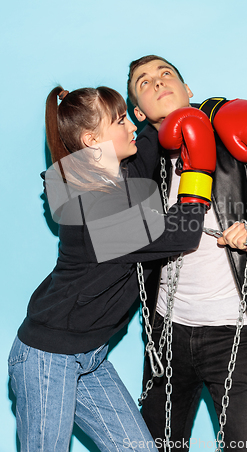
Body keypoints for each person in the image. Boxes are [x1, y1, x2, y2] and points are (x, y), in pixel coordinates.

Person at [126, 55, 247, 451]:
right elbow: (80, 207)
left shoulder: (235, 144)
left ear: (189, 90)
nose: (158, 82)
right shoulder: (141, 161)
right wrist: (67, 171)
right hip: (166, 335)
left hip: (238, 334)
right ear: (138, 112)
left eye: (166, 74)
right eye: (144, 82)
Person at [8, 85, 215, 452]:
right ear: (92, 140)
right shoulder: (96, 212)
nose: (130, 126)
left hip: (90, 354)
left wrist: (193, 108)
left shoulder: (119, 172)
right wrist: (200, 169)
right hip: (48, 357)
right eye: (120, 121)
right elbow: (183, 233)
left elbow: (151, 136)